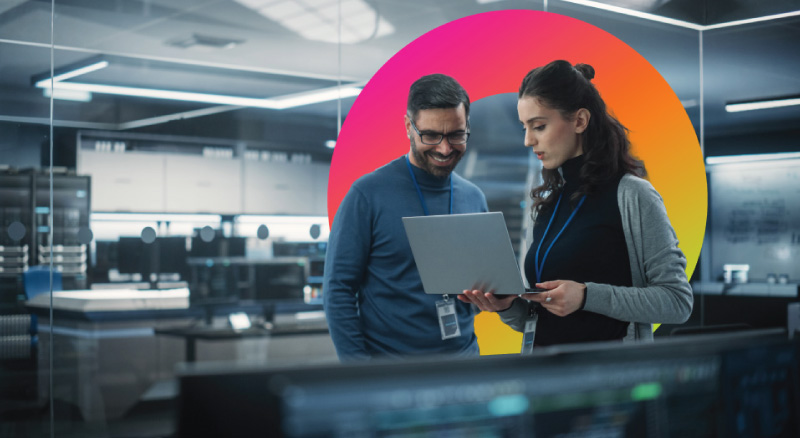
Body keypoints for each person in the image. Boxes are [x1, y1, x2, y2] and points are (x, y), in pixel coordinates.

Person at [458, 60, 692, 345]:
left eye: (539, 126)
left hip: (608, 381)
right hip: (544, 378)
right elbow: (538, 321)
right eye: (524, 128)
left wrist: (585, 296)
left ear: (580, 121)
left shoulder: (633, 195)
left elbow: (677, 301)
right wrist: (506, 306)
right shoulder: (548, 202)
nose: (528, 141)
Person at [324, 74, 488, 361]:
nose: (445, 148)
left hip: (464, 364)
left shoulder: (474, 197)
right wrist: (359, 370)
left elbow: (482, 286)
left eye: (456, 135)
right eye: (431, 135)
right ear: (408, 127)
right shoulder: (367, 195)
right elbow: (338, 289)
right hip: (392, 369)